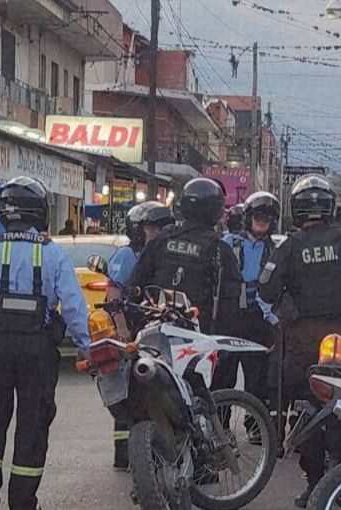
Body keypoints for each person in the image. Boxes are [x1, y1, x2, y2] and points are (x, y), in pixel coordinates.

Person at [0, 176, 92, 510]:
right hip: (38, 349)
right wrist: (86, 346)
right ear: (40, 213)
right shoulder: (53, 254)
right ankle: (22, 507)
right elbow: (75, 305)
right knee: (32, 425)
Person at [261, 175, 341, 507]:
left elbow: (266, 290)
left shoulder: (289, 248)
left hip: (301, 341)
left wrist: (287, 304)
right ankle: (337, 484)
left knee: (306, 408)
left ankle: (314, 484)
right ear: (328, 207)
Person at [105, 200, 175, 472]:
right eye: (149, 228)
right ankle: (125, 453)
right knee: (128, 390)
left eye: (159, 228)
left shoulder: (167, 253)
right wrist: (122, 331)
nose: (154, 234)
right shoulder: (127, 256)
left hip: (160, 331)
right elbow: (114, 295)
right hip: (133, 329)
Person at [127, 177, 241, 335]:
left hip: (158, 331)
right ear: (217, 211)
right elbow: (231, 306)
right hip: (199, 337)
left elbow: (135, 283)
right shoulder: (220, 249)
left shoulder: (162, 240)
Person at [212, 191, 280, 405]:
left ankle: (256, 430)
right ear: (247, 218)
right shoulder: (226, 244)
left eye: (267, 218)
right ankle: (219, 428)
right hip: (228, 322)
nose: (261, 222)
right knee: (222, 378)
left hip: (259, 325)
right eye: (257, 217)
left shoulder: (276, 251)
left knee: (257, 382)